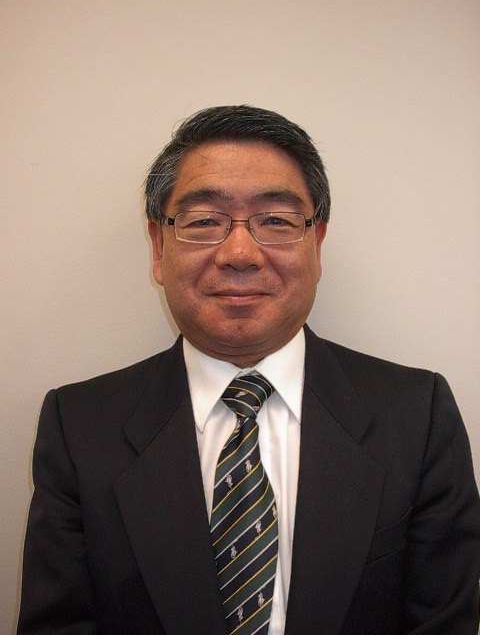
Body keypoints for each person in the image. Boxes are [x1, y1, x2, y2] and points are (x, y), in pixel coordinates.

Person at [18, 105, 480, 635]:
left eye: (276, 221)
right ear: (158, 247)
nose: (240, 253)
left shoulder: (417, 415)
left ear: (316, 243)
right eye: (204, 222)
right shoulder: (78, 425)